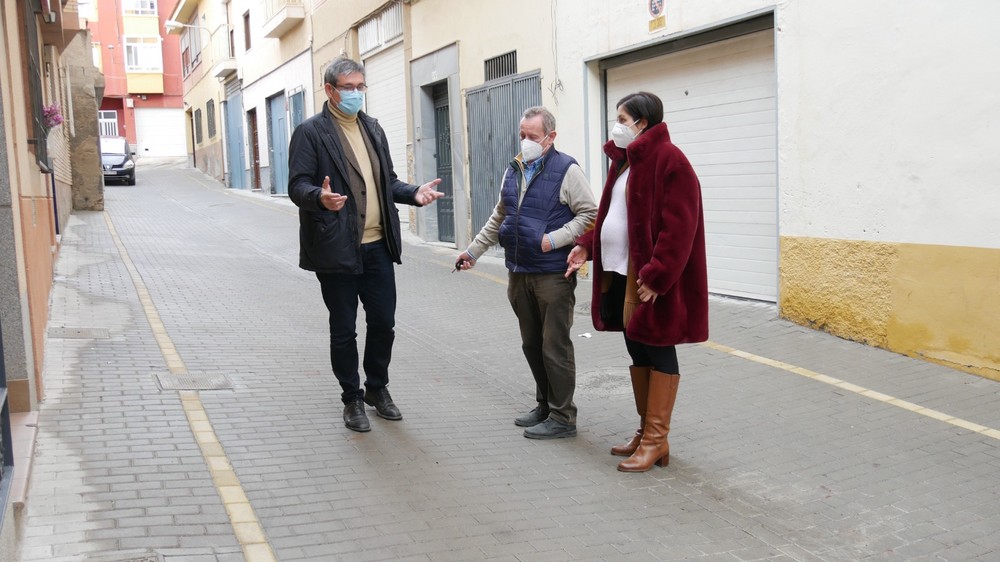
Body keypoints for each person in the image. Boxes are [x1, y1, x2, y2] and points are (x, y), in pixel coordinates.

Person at [288, 57, 444, 433]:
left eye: (361, 86)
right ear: (330, 90)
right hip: (336, 249)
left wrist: (413, 193)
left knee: (384, 323)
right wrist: (319, 197)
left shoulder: (372, 128)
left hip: (377, 246)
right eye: (349, 87)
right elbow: (297, 185)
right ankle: (351, 398)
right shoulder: (311, 132)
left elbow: (387, 181)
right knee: (344, 329)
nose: (356, 93)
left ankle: (376, 387)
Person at [566, 91, 708, 472]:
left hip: (649, 280)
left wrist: (658, 276)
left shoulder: (670, 160)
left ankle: (656, 441)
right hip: (619, 273)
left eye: (622, 119)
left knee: (658, 348)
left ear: (642, 123)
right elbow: (612, 215)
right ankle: (647, 433)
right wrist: (586, 246)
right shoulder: (625, 162)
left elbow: (681, 226)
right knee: (637, 348)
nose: (617, 126)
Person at [456, 106, 597, 440]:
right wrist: (473, 251)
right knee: (532, 345)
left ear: (550, 137)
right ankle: (545, 405)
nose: (526, 141)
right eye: (522, 135)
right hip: (519, 271)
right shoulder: (514, 169)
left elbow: (590, 213)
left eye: (533, 136)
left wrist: (554, 239)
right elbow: (499, 216)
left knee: (554, 346)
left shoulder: (567, 170)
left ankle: (563, 417)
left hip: (552, 275)